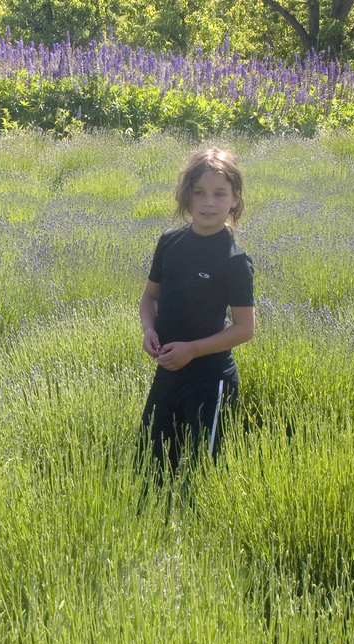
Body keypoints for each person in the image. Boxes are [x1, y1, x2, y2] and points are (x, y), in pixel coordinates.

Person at [139, 148, 255, 474]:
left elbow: (245, 329)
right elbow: (148, 299)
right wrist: (149, 330)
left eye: (219, 194)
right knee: (150, 461)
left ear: (235, 199)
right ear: (186, 195)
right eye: (199, 192)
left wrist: (191, 350)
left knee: (201, 469)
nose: (208, 203)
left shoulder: (235, 260)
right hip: (168, 370)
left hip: (210, 379)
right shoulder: (169, 242)